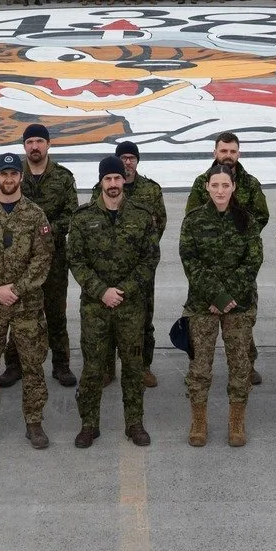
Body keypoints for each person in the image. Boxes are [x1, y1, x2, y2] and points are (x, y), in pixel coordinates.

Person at [0, 153, 54, 449]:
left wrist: (16, 288)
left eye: (13, 173)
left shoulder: (35, 215)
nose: (9, 178)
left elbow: (43, 257)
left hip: (26, 303)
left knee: (33, 364)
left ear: (21, 177)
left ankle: (34, 422)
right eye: (4, 174)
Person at [70, 156, 157, 448]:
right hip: (95, 308)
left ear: (123, 180)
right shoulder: (83, 218)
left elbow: (150, 259)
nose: (113, 184)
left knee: (133, 367)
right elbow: (76, 261)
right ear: (100, 182)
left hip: (130, 307)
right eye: (108, 179)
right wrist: (101, 291)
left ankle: (135, 423)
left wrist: (122, 290)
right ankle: (88, 425)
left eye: (117, 178)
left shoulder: (141, 216)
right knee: (93, 368)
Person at [180, 163, 263, 447]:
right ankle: (198, 421)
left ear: (233, 187)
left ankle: (236, 421)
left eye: (225, 185)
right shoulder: (193, 221)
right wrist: (216, 296)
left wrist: (228, 297)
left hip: (238, 305)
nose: (220, 190)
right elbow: (190, 261)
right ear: (206, 187)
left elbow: (253, 261)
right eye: (215, 185)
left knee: (240, 366)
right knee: (199, 368)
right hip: (203, 305)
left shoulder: (246, 220)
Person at [181, 131, 268, 385]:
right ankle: (198, 370)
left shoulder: (250, 183)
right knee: (201, 334)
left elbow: (261, 216)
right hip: (207, 271)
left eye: (232, 151)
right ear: (215, 152)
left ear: (238, 153)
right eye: (223, 151)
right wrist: (215, 292)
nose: (228, 155)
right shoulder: (202, 182)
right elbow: (192, 222)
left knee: (242, 325)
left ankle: (247, 365)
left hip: (239, 264)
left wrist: (240, 236)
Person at [13, 123, 79, 388]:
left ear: (48, 144)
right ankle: (14, 364)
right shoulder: (14, 174)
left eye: (39, 141)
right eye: (30, 142)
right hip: (20, 258)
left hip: (54, 257)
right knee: (19, 312)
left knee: (55, 312)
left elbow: (72, 214)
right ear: (24, 146)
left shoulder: (63, 177)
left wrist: (46, 230)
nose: (35, 146)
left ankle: (61, 365)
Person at [111, 141, 168, 386]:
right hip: (109, 266)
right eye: (123, 157)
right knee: (108, 319)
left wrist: (142, 252)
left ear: (137, 161)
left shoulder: (151, 190)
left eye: (131, 158)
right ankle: (107, 368)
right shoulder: (104, 186)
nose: (127, 162)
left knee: (144, 318)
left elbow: (160, 224)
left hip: (141, 268)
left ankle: (143, 366)